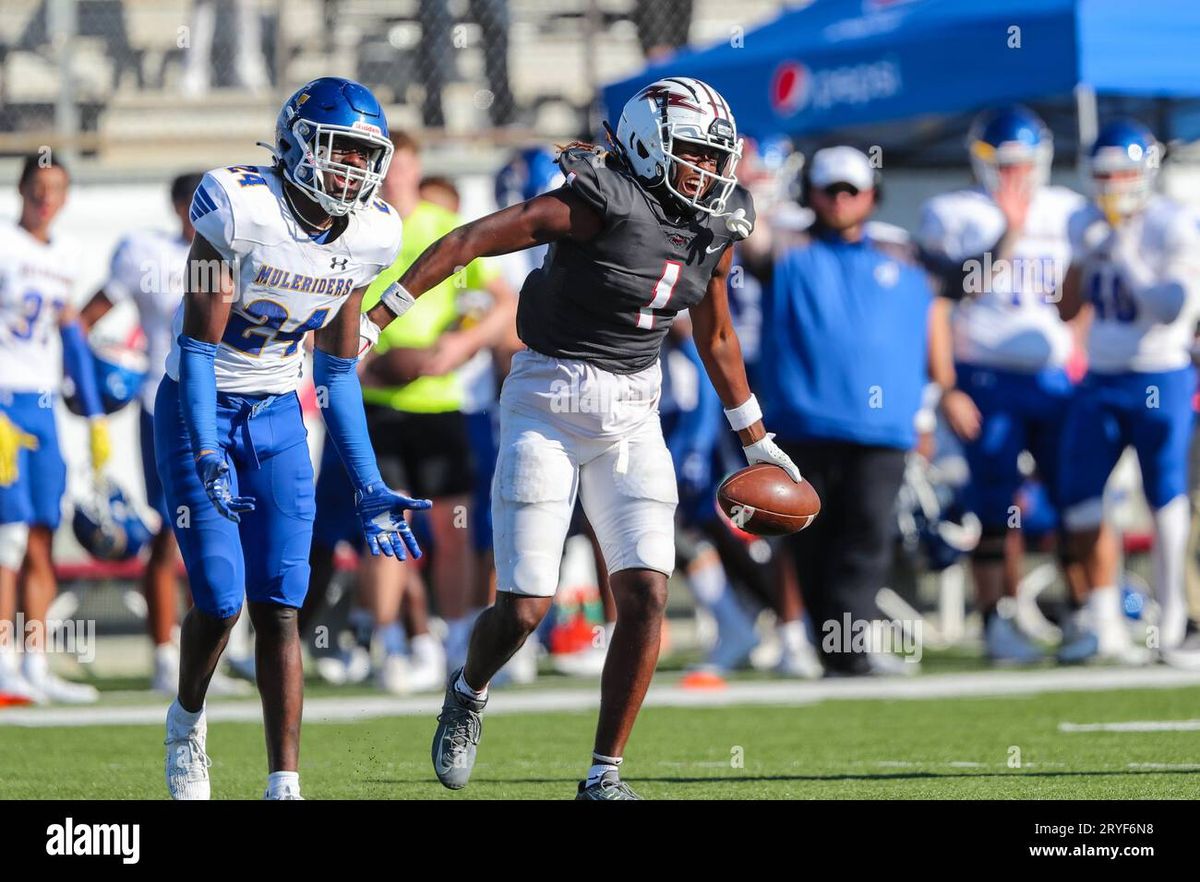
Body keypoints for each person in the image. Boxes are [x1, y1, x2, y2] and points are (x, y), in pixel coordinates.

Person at [360, 76, 799, 799]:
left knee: (647, 593)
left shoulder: (719, 219)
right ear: (648, 148)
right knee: (525, 606)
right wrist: (380, 318)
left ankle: (604, 775)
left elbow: (715, 331)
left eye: (715, 157)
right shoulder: (600, 199)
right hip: (548, 400)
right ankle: (469, 690)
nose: (709, 173)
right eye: (692, 154)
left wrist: (755, 438)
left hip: (634, 409)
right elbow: (469, 241)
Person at [157, 76, 430, 800]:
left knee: (282, 599)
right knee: (219, 598)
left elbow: (339, 372)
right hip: (199, 407)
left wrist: (369, 483)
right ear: (297, 142)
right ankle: (187, 722)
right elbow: (195, 350)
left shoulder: (372, 233)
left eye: (363, 155)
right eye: (338, 150)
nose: (351, 169)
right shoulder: (237, 207)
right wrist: (209, 449)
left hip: (279, 412)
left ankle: (285, 784)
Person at [919, 106, 1087, 664]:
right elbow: (943, 302)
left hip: (1053, 378)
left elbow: (1076, 297)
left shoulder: (1068, 208)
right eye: (1004, 164)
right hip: (984, 376)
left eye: (1023, 163)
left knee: (1076, 500)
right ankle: (997, 623)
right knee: (992, 506)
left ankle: (1086, 615)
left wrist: (1080, 353)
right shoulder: (952, 212)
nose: (1016, 174)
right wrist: (946, 386)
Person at [759, 146, 935, 676]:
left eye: (849, 190)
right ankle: (828, 646)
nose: (839, 200)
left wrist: (928, 407)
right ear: (809, 195)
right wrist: (755, 189)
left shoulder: (901, 255)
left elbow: (938, 314)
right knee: (810, 541)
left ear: (870, 195)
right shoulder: (788, 250)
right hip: (804, 422)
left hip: (882, 428)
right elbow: (749, 237)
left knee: (867, 536)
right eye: (828, 189)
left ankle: (850, 646)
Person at [78, 173, 246, 697]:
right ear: (178, 206)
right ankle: (162, 654)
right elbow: (87, 317)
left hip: (231, 402)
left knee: (226, 526)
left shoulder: (243, 253)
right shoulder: (146, 254)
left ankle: (215, 655)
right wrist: (94, 378)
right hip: (164, 402)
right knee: (170, 530)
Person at [1056, 119, 1200, 667]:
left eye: (1123, 173)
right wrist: (1081, 258)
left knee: (1164, 497)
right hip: (1101, 375)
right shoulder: (1081, 219)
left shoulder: (1172, 221)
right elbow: (1066, 309)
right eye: (1103, 174)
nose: (1113, 184)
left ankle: (1173, 621)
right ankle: (1105, 618)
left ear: (1146, 172)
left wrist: (1123, 253)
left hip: (1160, 372)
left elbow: (1171, 307)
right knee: (1081, 498)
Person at [0, 154, 110, 704]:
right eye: (38, 187)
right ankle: (2, 660)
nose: (47, 198)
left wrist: (92, 415)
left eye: (57, 188)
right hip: (2, 401)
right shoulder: (3, 244)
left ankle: (34, 660)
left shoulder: (66, 254)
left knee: (43, 532)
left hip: (42, 407)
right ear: (21, 190)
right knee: (8, 535)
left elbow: (70, 335)